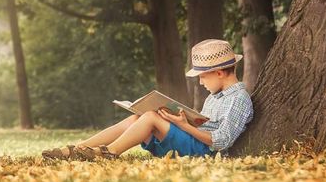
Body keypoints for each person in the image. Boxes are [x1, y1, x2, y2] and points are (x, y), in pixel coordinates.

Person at [41, 39, 253, 161]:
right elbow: (205, 125)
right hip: (195, 141)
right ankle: (78, 148)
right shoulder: (215, 97)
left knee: (151, 117)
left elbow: (222, 141)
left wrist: (182, 125)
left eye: (202, 76)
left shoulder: (238, 99)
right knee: (137, 118)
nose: (200, 82)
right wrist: (181, 119)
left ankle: (108, 153)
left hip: (206, 151)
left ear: (218, 73)